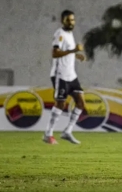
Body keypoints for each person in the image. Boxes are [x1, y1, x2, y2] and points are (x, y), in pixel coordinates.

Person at [43, 10, 87, 145]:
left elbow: (65, 52)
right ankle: (48, 134)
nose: (71, 22)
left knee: (81, 102)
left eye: (73, 20)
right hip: (60, 75)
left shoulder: (70, 34)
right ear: (62, 20)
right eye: (69, 20)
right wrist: (74, 50)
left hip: (71, 75)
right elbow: (55, 53)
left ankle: (67, 131)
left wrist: (75, 55)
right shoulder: (59, 34)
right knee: (60, 104)